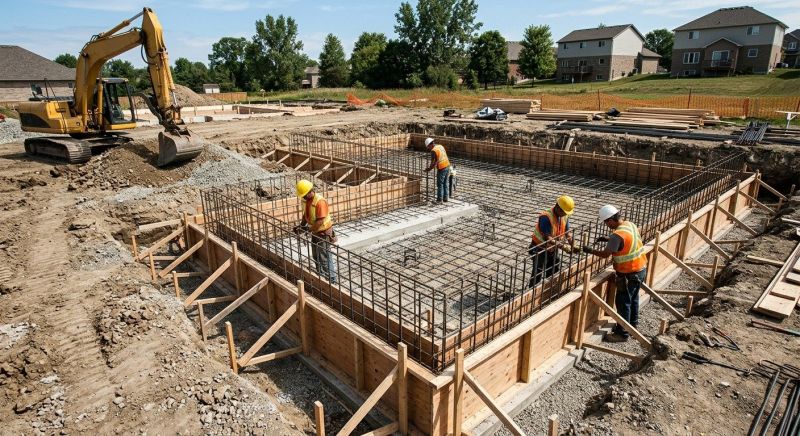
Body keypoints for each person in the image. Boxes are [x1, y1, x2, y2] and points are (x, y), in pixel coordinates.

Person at [583, 205, 648, 343]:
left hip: (629, 274)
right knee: (633, 299)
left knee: (623, 303)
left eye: (606, 223)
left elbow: (605, 254)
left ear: (611, 220)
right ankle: (632, 325)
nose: (607, 226)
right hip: (641, 269)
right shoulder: (629, 225)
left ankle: (622, 333)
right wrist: (608, 239)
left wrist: (589, 250)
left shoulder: (616, 236)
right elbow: (626, 241)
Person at [294, 179, 337, 284]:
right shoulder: (306, 200)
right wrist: (302, 226)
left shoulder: (320, 202)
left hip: (323, 233)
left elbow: (320, 221)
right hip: (315, 231)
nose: (303, 197)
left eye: (304, 195)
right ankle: (320, 277)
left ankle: (331, 281)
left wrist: (307, 230)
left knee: (324, 257)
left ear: (310, 191)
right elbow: (306, 214)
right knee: (316, 256)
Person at [529, 195, 576, 287]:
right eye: (564, 212)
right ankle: (533, 291)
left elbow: (568, 233)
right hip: (540, 248)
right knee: (538, 271)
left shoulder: (564, 216)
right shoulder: (546, 217)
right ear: (558, 208)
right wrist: (563, 247)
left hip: (553, 247)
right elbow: (548, 238)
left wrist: (573, 244)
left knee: (554, 268)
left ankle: (551, 288)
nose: (565, 214)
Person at [424, 137, 451, 203]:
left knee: (440, 184)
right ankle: (445, 198)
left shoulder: (434, 151)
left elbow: (434, 162)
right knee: (445, 183)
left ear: (430, 144)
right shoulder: (440, 146)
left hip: (442, 168)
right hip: (447, 165)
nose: (428, 148)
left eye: (428, 147)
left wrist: (429, 169)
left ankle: (439, 199)